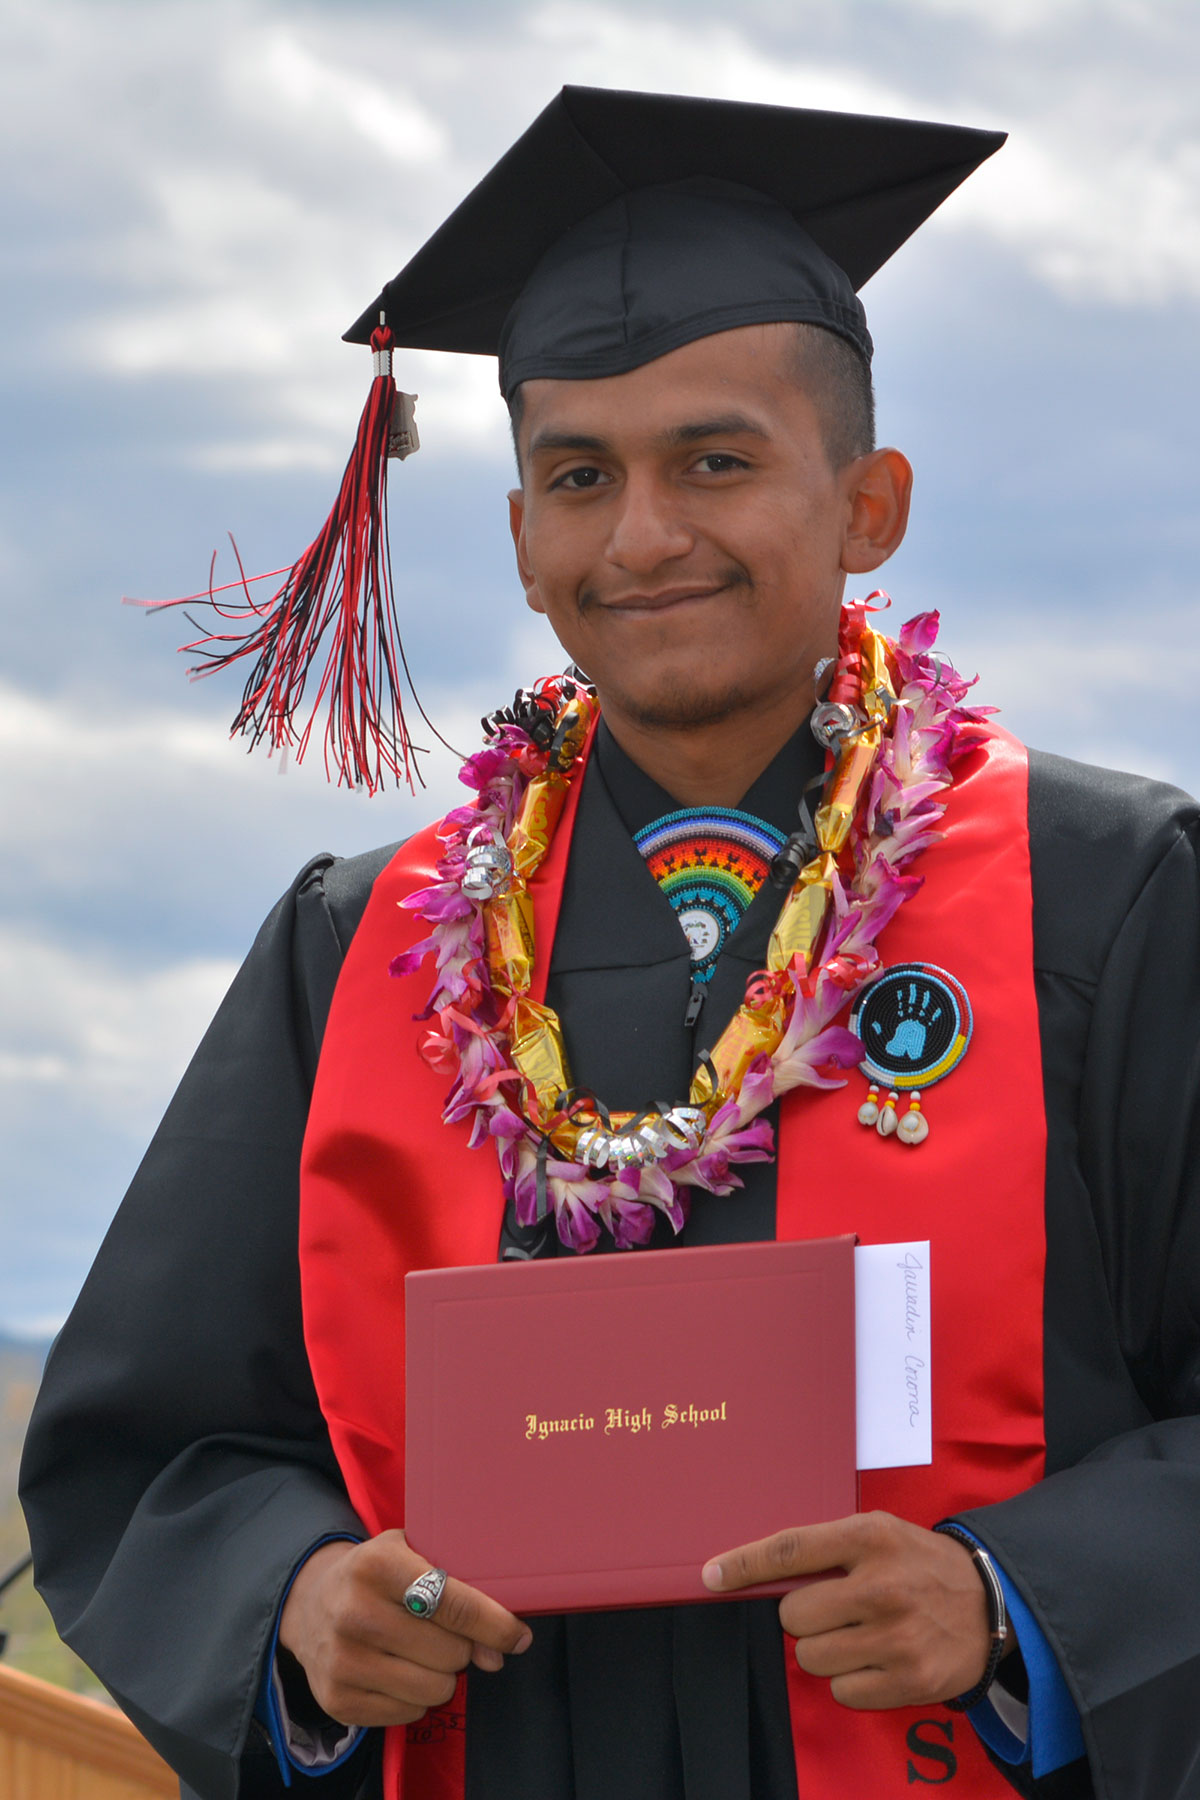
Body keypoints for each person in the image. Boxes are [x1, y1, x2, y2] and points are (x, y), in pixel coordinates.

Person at [19, 85, 1200, 1800]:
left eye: (715, 461)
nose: (642, 535)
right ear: (519, 540)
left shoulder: (1106, 896)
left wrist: (1023, 1602)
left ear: (870, 504)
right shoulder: (361, 948)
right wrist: (295, 1605)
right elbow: (156, 1449)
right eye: (580, 477)